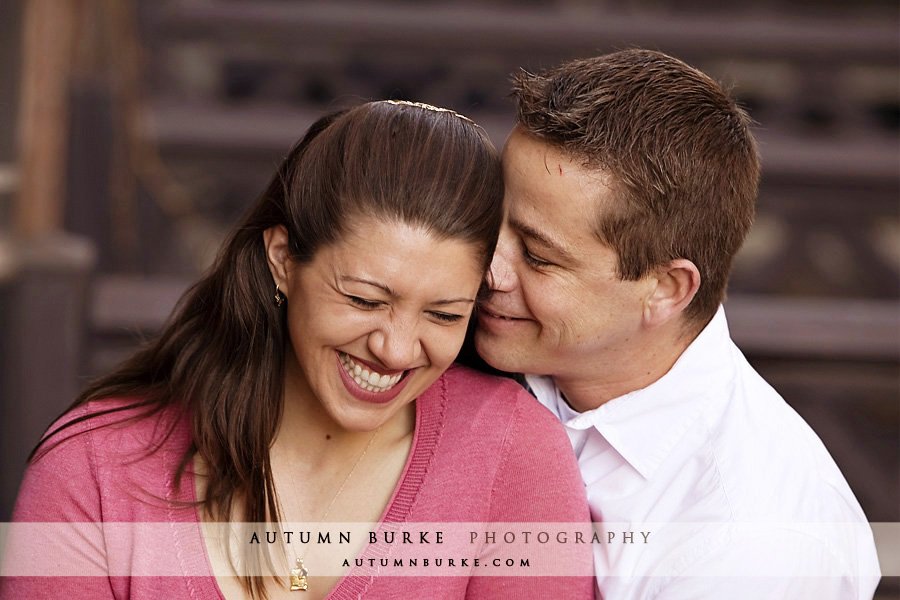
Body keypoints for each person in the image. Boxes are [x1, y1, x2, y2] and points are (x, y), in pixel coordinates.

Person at [1, 101, 594, 599]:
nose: (394, 348)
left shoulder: (511, 454)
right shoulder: (94, 467)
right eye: (364, 299)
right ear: (283, 260)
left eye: (444, 315)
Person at [474, 49, 881, 599]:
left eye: (539, 255)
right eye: (489, 217)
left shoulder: (751, 545)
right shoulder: (460, 343)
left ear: (666, 289)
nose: (487, 267)